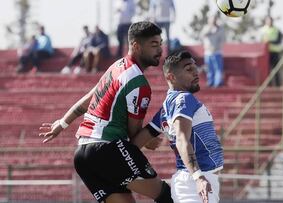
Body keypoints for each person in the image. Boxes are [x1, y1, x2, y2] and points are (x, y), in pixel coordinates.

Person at [39, 21, 173, 203]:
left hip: (82, 155)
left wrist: (63, 123)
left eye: (161, 44)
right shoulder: (139, 83)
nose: (160, 50)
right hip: (106, 150)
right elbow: (134, 138)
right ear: (136, 46)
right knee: (166, 195)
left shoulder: (116, 66)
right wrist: (149, 139)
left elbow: (90, 97)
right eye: (154, 44)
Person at [132, 50, 224, 203]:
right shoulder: (184, 98)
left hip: (193, 181)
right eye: (189, 69)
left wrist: (147, 140)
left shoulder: (166, 108)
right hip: (195, 182)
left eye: (195, 68)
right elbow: (182, 139)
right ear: (171, 77)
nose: (196, 73)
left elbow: (135, 143)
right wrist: (198, 177)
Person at [200, 12, 225, 88]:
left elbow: (222, 40)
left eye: (214, 19)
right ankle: (210, 82)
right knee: (209, 69)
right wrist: (210, 30)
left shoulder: (220, 29)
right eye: (211, 19)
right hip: (208, 52)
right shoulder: (206, 28)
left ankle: (217, 83)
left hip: (217, 52)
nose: (213, 21)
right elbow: (202, 36)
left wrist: (218, 47)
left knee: (218, 69)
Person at [260, 16, 283, 86]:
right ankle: (269, 85)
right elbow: (260, 41)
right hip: (266, 53)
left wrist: (269, 41)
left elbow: (278, 41)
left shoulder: (277, 30)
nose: (269, 22)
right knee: (267, 70)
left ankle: (278, 85)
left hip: (275, 52)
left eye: (270, 20)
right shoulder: (262, 30)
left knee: (276, 69)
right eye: (268, 20)